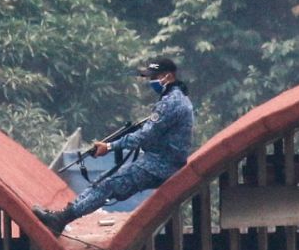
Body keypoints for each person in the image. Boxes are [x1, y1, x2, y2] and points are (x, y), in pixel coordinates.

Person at [33, 57, 194, 236]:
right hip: (157, 161)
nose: (151, 82)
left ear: (168, 76)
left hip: (159, 165)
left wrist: (109, 147)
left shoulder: (171, 102)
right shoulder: (177, 98)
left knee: (107, 186)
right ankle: (63, 215)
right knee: (103, 181)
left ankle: (61, 220)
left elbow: (144, 136)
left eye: (154, 77)